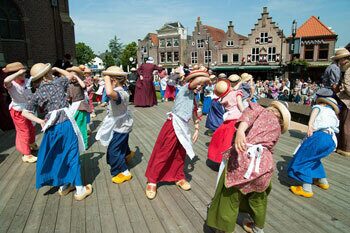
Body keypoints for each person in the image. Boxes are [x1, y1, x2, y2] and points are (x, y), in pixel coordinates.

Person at [206, 101, 291, 233]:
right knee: (259, 197)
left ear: (273, 107)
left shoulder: (259, 109)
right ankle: (258, 227)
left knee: (230, 195)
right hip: (263, 164)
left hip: (244, 157)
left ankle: (222, 228)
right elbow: (271, 147)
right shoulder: (278, 128)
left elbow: (246, 118)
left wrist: (240, 132)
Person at [21, 63, 92, 201]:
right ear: (47, 74)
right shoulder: (58, 83)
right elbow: (71, 75)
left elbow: (25, 112)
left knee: (59, 154)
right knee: (72, 153)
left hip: (50, 127)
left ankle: (65, 185)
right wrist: (56, 69)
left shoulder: (36, 94)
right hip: (65, 123)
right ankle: (80, 188)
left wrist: (41, 121)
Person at [144, 70, 210, 200]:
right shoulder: (185, 89)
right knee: (164, 152)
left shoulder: (193, 96)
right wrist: (205, 76)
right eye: (198, 84)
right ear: (190, 82)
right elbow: (196, 82)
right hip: (173, 125)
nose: (199, 87)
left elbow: (194, 112)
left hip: (183, 127)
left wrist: (196, 128)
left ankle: (178, 176)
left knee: (180, 153)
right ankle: (152, 180)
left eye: (201, 86)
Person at [288, 97, 339, 197]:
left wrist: (310, 125)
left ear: (322, 103)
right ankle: (322, 181)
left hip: (319, 137)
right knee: (314, 158)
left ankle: (306, 188)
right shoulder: (333, 114)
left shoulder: (319, 107)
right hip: (331, 140)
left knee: (304, 158)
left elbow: (314, 113)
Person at [96, 66, 135, 184]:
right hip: (121, 124)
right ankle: (127, 154)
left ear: (114, 81)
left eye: (108, 81)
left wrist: (106, 77)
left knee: (113, 150)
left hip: (120, 126)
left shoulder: (119, 93)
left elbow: (108, 92)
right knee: (121, 144)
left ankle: (123, 172)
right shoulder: (122, 90)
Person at [3, 62, 38, 163]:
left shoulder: (27, 81)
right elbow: (6, 80)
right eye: (21, 74)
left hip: (29, 109)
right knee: (24, 131)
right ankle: (26, 154)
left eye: (24, 73)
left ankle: (31, 143)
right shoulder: (11, 84)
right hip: (17, 110)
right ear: (15, 74)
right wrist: (17, 73)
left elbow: (36, 79)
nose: (24, 75)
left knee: (31, 128)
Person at [207, 75, 244, 165]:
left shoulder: (224, 98)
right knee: (235, 138)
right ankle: (235, 159)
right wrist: (245, 113)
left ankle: (221, 158)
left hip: (228, 118)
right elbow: (239, 104)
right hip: (237, 117)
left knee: (225, 138)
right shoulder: (237, 93)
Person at [66, 66, 90, 149]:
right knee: (73, 125)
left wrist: (76, 77)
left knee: (81, 125)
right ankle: (77, 141)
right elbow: (68, 98)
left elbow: (83, 86)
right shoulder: (69, 85)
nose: (72, 76)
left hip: (80, 106)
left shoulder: (80, 83)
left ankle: (84, 143)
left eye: (74, 75)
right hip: (72, 107)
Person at [336, 48, 350, 156]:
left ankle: (345, 148)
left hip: (347, 102)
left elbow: (348, 88)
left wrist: (341, 90)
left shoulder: (348, 71)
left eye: (339, 60)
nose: (339, 63)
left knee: (345, 124)